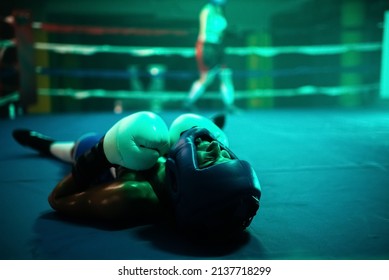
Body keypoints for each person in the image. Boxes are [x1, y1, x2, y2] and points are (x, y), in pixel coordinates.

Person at [12, 111, 261, 240]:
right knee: (179, 131)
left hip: (108, 162)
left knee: (80, 144)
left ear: (180, 182)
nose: (216, 146)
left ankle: (45, 144)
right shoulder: (195, 188)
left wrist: (101, 152)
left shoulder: (132, 195)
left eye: (211, 158)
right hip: (150, 149)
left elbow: (57, 199)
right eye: (226, 155)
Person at [185, 0, 236, 113]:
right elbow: (202, 33)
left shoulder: (220, 11)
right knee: (206, 78)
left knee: (226, 75)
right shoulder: (206, 10)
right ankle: (188, 102)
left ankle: (230, 105)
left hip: (219, 46)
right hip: (207, 46)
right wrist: (203, 49)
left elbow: (221, 32)